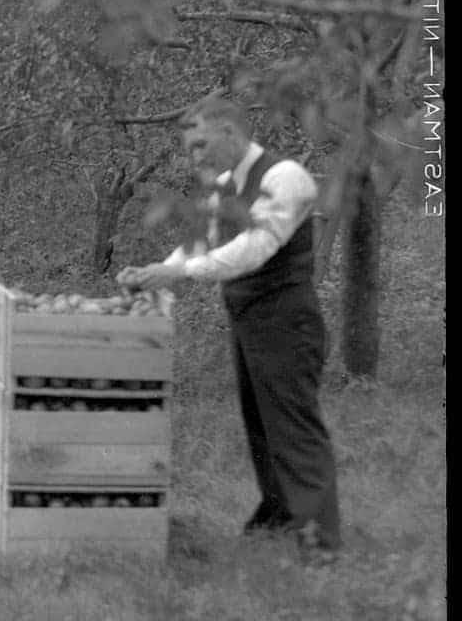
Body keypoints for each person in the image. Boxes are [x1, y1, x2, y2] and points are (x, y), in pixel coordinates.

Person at [118, 96, 340, 566]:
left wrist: (179, 274)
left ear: (231, 132)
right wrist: (156, 270)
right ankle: (278, 519)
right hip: (249, 320)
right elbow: (197, 242)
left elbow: (254, 248)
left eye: (201, 144)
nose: (195, 157)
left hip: (287, 320)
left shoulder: (286, 179)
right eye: (189, 148)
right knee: (261, 425)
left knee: (294, 428)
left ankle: (321, 544)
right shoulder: (222, 187)